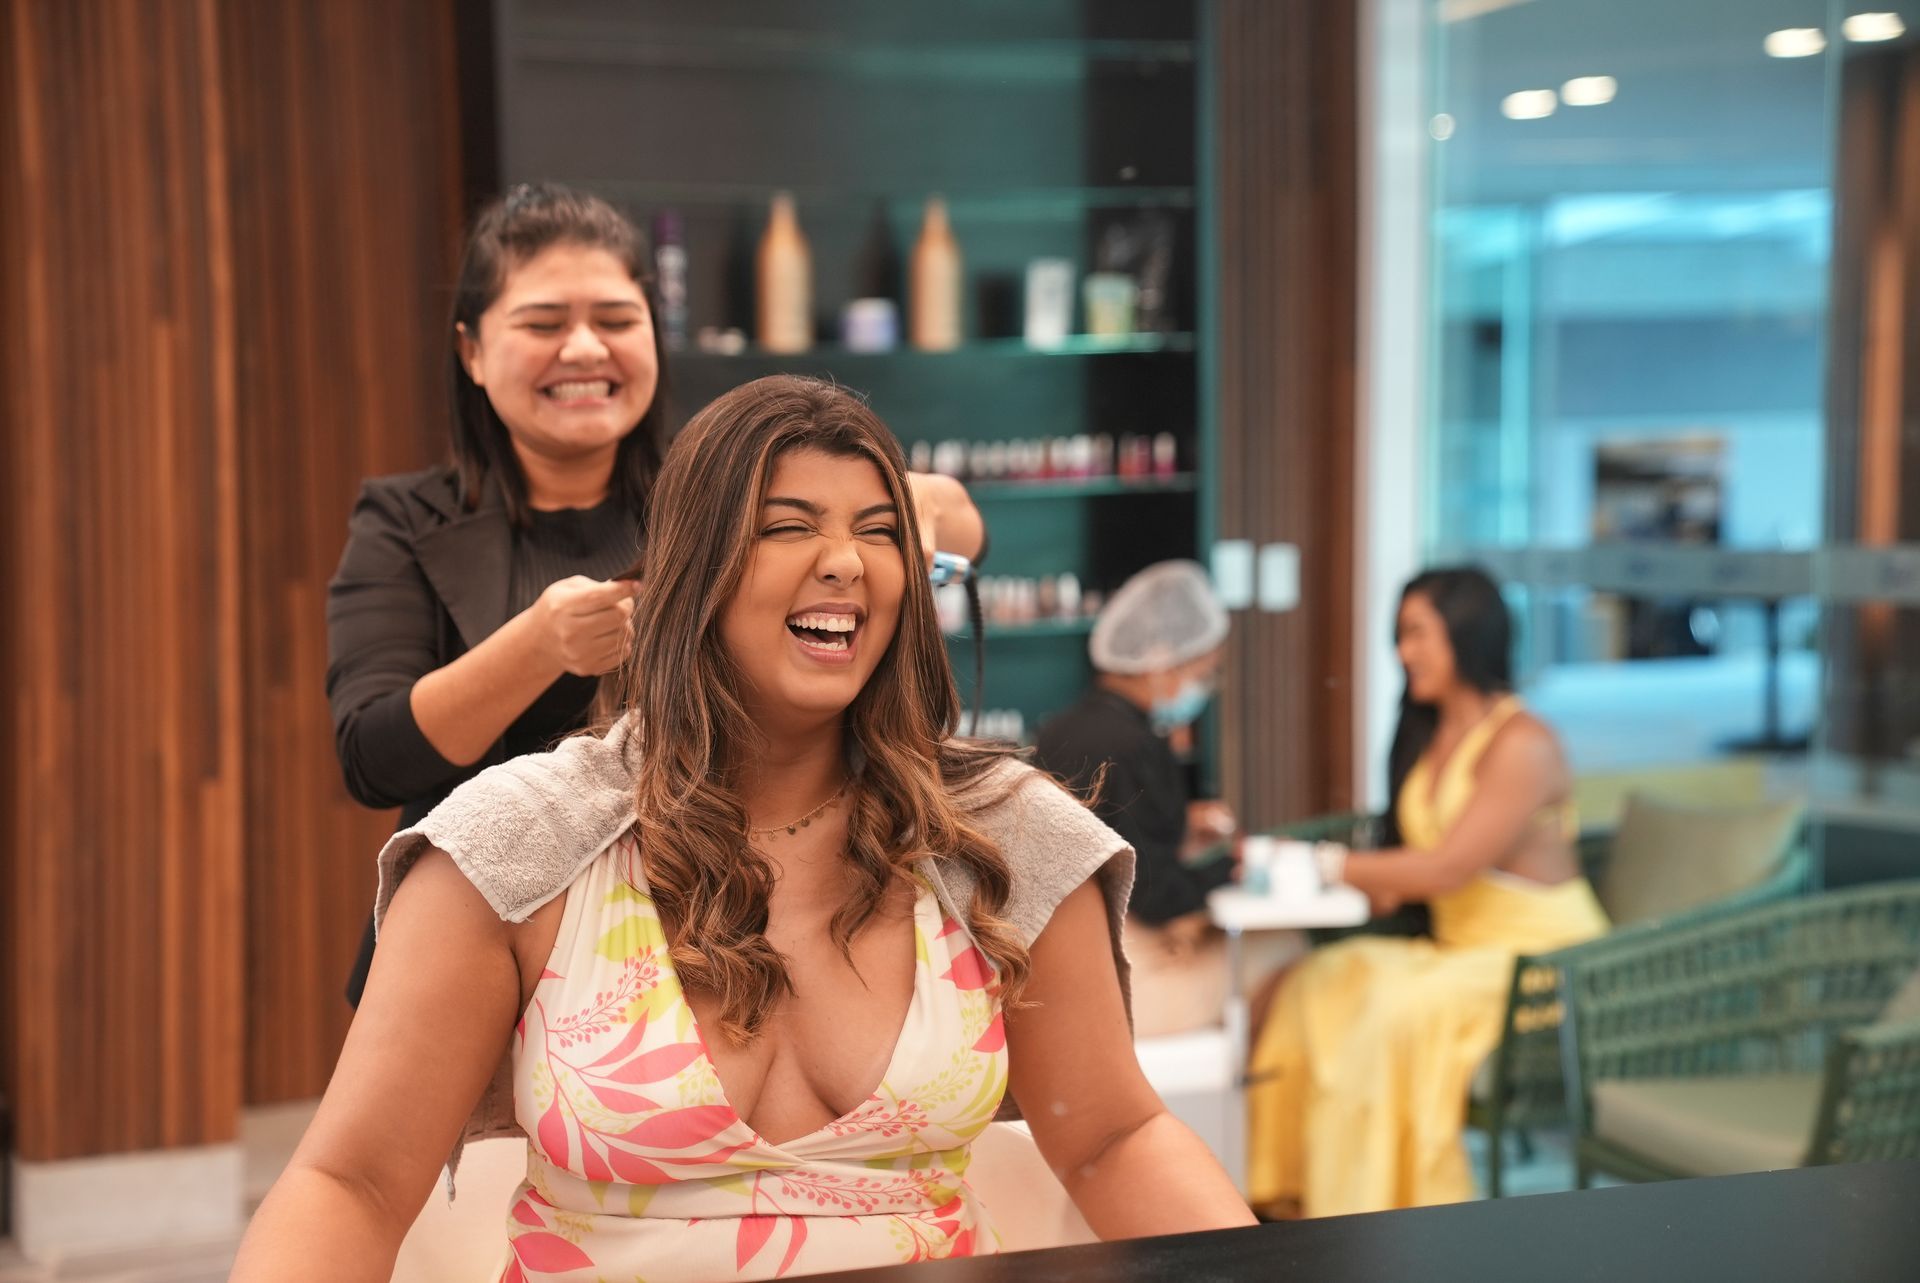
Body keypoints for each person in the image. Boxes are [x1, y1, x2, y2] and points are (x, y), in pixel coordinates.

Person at [238, 376, 1254, 1280]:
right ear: (693, 571)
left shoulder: (1004, 836)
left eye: (879, 530)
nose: (845, 561)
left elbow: (1113, 1138)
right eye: (787, 525)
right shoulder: (519, 844)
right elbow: (352, 1183)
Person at [327, 183, 984, 1003]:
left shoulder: (719, 495)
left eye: (615, 319)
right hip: (473, 943)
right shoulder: (403, 520)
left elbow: (960, 525)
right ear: (473, 351)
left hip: (702, 930)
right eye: (543, 324)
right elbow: (375, 755)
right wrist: (538, 647)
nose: (583, 349)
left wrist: (915, 506)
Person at [1244, 566, 1609, 1218]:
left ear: (1466, 633)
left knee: (1389, 1014)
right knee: (1313, 983)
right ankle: (1286, 1198)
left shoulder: (1524, 743)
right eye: (1399, 634)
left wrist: (1326, 864)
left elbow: (1445, 869)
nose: (1402, 651)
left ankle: (1366, 1216)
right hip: (1458, 948)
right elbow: (1407, 866)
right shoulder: (1430, 734)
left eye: (1416, 633)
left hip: (1541, 961)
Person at [1032, 560, 1296, 1037]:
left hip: (1055, 966)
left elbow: (1110, 840)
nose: (1205, 689)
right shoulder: (1133, 745)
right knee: (1284, 946)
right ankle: (1251, 1083)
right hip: (1120, 981)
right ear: (1160, 660)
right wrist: (1235, 866)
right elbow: (1153, 894)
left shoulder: (1063, 728)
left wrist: (1179, 828)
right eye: (1204, 672)